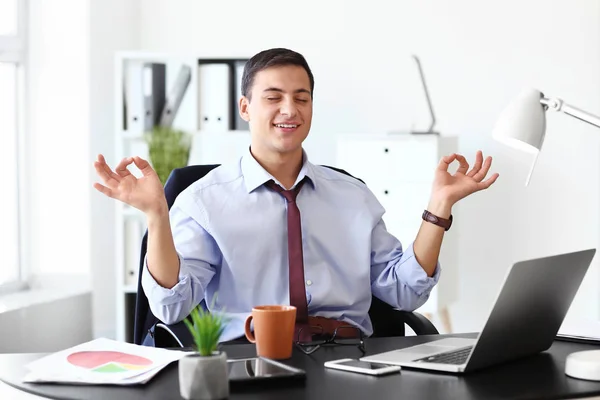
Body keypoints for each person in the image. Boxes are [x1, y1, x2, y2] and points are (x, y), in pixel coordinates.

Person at [93, 48, 499, 344]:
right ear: (245, 108)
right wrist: (156, 216)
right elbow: (171, 307)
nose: (290, 109)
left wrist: (439, 208)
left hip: (349, 357)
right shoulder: (204, 200)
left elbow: (404, 290)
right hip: (250, 359)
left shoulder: (351, 196)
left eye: (301, 98)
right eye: (273, 97)